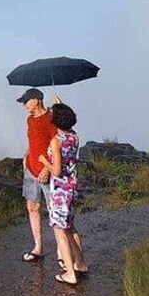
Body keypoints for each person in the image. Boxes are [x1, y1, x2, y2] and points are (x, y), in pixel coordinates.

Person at [39, 102, 88, 285]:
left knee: (59, 230)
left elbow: (57, 171)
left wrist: (44, 160)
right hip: (73, 187)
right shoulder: (74, 137)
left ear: (55, 121)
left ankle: (69, 273)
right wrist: (60, 106)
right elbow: (65, 121)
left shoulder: (56, 141)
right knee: (70, 226)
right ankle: (80, 265)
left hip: (60, 191)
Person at [18, 88, 57, 263]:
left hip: (47, 170)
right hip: (31, 169)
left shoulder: (51, 119)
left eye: (26, 101)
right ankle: (38, 247)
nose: (24, 105)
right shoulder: (29, 120)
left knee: (54, 211)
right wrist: (26, 154)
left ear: (37, 99)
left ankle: (62, 253)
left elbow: (57, 146)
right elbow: (34, 141)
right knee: (32, 208)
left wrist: (47, 169)